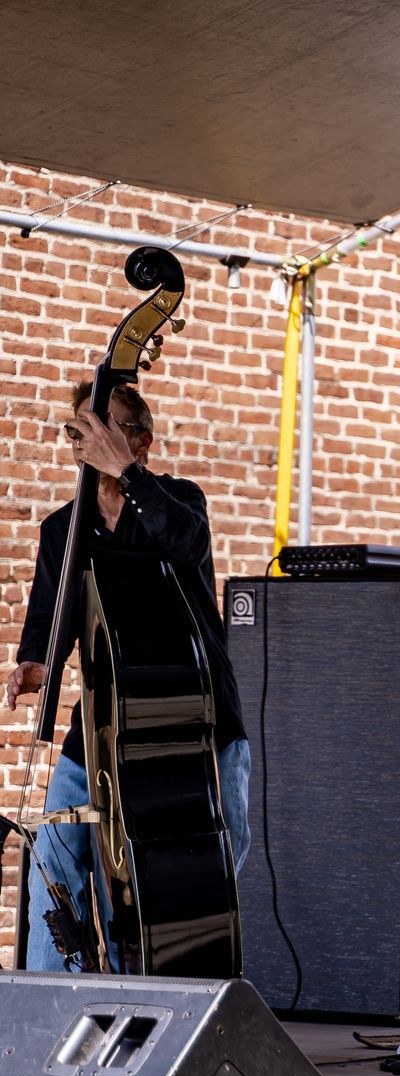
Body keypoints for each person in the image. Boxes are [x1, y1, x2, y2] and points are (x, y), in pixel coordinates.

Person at [6, 382, 251, 972]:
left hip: (193, 721)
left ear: (139, 442)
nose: (86, 442)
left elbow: (184, 544)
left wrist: (128, 478)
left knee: (200, 870)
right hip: (102, 725)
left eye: (104, 429)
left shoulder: (179, 501)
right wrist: (35, 662)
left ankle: (169, 997)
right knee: (54, 865)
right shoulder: (61, 530)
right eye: (78, 431)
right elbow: (50, 620)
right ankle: (55, 1012)